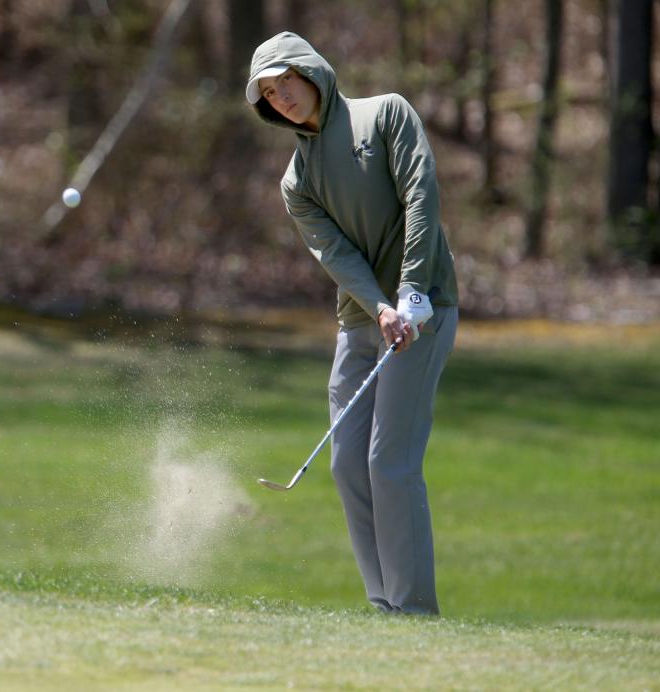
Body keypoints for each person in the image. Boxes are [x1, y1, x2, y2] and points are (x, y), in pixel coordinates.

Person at [246, 32, 459, 615]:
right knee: (347, 465)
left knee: (389, 463)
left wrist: (412, 289)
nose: (281, 96)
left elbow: (421, 193)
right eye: (268, 92)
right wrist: (381, 307)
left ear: (311, 71)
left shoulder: (385, 113)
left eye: (285, 80)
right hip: (364, 319)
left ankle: (413, 608)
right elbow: (335, 255)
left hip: (426, 309)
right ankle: (383, 605)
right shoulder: (297, 180)